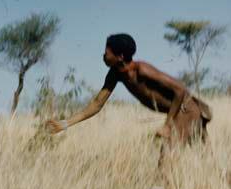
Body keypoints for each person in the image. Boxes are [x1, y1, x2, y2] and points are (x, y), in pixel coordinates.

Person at [46, 34, 212, 172]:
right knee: (208, 161)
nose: (103, 56)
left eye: (106, 52)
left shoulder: (142, 69)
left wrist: (168, 125)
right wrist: (66, 123)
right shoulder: (115, 75)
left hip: (185, 110)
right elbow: (97, 104)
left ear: (120, 57)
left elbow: (180, 90)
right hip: (182, 112)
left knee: (166, 158)